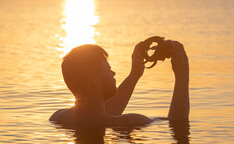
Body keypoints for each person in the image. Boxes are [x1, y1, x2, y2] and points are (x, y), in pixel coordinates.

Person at [49, 39, 189, 127]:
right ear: (96, 81)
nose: (113, 73)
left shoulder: (59, 118)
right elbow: (177, 121)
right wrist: (182, 74)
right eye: (109, 70)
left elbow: (95, 113)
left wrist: (135, 74)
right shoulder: (131, 122)